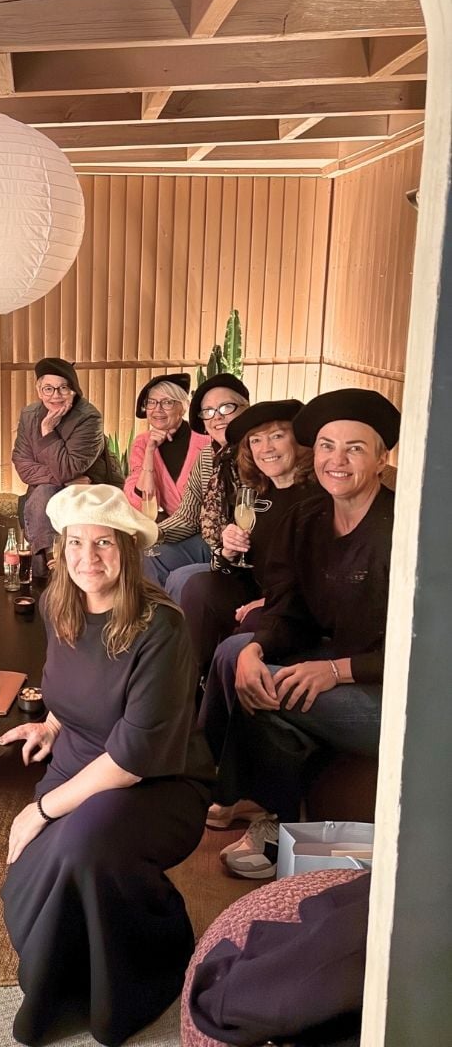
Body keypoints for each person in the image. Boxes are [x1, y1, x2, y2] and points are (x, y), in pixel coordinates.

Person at [0, 485, 214, 1047]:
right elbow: (67, 685)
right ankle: (67, 973)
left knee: (82, 846)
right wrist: (50, 724)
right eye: (75, 543)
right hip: (81, 762)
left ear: (128, 549)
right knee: (49, 873)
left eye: (103, 543)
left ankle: (148, 965)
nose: (87, 558)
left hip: (158, 778)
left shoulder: (161, 627)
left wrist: (40, 810)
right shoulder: (58, 605)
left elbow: (132, 758)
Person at [208, 388, 398, 879]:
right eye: (329, 445)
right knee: (246, 667)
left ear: (381, 459)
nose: (338, 460)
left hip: (395, 694)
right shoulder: (307, 519)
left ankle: (263, 818)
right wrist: (257, 646)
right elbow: (288, 607)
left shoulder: (402, 528)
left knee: (277, 689)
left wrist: (337, 671)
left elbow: (424, 648)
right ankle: (278, 820)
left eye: (355, 448)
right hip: (333, 661)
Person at [174, 399, 314, 677]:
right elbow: (234, 569)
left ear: (298, 441)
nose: (266, 449)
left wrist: (267, 603)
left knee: (253, 620)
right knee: (198, 586)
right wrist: (228, 551)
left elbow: (318, 577)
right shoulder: (258, 494)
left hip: (294, 607)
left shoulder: (315, 498)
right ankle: (190, 680)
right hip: (256, 590)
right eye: (256, 441)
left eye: (277, 436)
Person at [12, 357, 124, 580]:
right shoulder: (29, 415)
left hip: (90, 492)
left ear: (74, 390)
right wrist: (62, 480)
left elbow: (69, 467)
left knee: (43, 493)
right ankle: (53, 567)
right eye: (48, 389)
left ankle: (52, 569)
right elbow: (22, 465)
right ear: (39, 390)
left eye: (63, 388)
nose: (55, 395)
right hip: (51, 491)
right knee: (43, 492)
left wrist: (48, 433)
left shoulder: (89, 417)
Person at [143, 372, 250, 586]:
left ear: (246, 408)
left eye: (226, 407)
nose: (217, 417)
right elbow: (188, 517)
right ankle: (151, 619)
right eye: (208, 411)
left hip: (248, 549)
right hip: (211, 541)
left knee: (182, 579)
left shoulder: (259, 453)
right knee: (146, 557)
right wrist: (150, 534)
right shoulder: (208, 456)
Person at [124, 372, 208, 517]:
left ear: (182, 407)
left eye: (167, 402)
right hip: (170, 527)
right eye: (151, 402)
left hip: (206, 527)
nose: (157, 409)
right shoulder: (142, 443)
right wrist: (150, 452)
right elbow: (139, 505)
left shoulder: (206, 441)